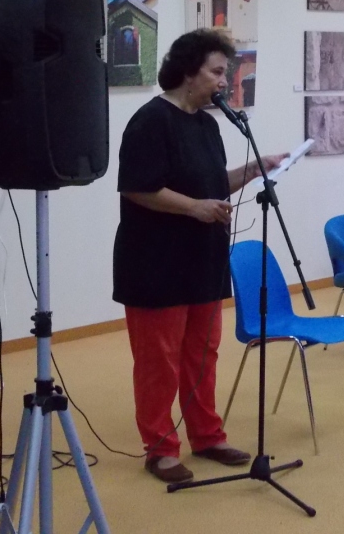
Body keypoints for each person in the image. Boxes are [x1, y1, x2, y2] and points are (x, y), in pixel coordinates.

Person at [113, 29, 286, 484]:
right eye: (216, 72)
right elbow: (137, 187)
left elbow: (210, 183)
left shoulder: (208, 125)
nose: (224, 81)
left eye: (225, 72)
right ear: (188, 72)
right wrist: (194, 208)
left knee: (202, 354)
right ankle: (160, 449)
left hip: (203, 257)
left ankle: (207, 436)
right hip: (155, 261)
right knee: (159, 360)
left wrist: (253, 170)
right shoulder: (150, 121)